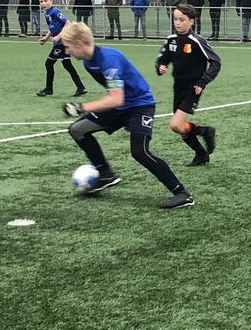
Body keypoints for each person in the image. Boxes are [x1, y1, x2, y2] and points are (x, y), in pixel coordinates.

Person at [59, 22, 196, 209]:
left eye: (68, 46)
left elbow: (116, 99)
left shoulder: (109, 59)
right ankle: (106, 174)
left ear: (80, 43)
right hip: (119, 108)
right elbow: (115, 99)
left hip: (140, 106)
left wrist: (82, 107)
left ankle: (182, 194)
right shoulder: (88, 62)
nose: (67, 52)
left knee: (140, 152)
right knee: (77, 130)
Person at [156, 5, 221, 166]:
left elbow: (216, 62)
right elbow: (162, 60)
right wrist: (160, 67)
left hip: (193, 88)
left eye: (181, 20)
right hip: (178, 86)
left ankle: (205, 131)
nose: (177, 23)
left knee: (175, 125)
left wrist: (203, 81)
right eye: (175, 19)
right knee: (179, 128)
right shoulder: (171, 39)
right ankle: (201, 154)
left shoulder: (197, 41)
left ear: (191, 21)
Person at [36, 0, 87, 97]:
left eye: (45, 1)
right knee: (67, 64)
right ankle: (81, 87)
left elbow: (67, 24)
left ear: (51, 1)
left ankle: (49, 89)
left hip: (62, 42)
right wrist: (45, 38)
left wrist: (58, 36)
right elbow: (52, 28)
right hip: (60, 42)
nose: (43, 3)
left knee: (48, 63)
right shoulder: (47, 14)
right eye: (41, 2)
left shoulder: (55, 11)